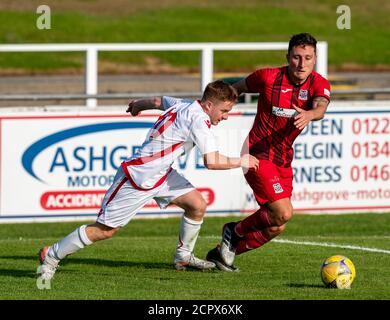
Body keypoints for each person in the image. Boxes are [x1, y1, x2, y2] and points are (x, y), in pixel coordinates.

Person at [37, 80, 259, 280]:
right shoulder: (199, 120)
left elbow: (157, 101)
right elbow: (211, 161)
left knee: (196, 204)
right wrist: (242, 161)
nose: (226, 116)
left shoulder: (185, 103)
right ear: (209, 105)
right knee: (105, 230)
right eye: (225, 110)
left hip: (161, 173)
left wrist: (137, 105)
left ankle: (183, 257)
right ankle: (52, 255)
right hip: (137, 177)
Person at [206, 33, 331, 271]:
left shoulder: (319, 83)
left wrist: (310, 114)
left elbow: (321, 107)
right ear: (288, 57)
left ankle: (222, 253)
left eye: (307, 57)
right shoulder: (268, 77)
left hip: (283, 160)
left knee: (276, 225)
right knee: (283, 212)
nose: (301, 63)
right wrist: (210, 112)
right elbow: (235, 89)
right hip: (257, 154)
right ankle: (233, 231)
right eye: (296, 57)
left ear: (314, 59)